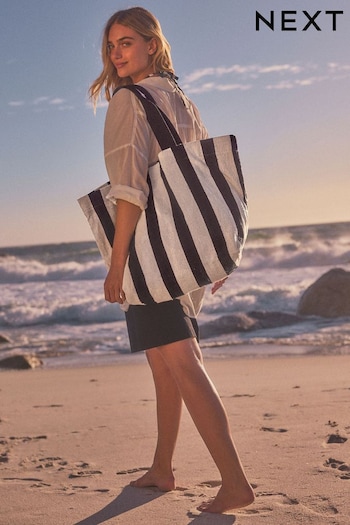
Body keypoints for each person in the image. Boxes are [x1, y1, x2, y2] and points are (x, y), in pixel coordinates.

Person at [89, 7, 254, 514]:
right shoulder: (179, 98)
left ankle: (234, 482)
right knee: (166, 362)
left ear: (151, 45)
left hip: (151, 252)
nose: (117, 54)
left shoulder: (128, 100)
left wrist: (117, 265)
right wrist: (218, 250)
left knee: (179, 362)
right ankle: (163, 467)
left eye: (127, 44)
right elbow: (208, 183)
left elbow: (129, 193)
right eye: (112, 45)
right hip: (185, 250)